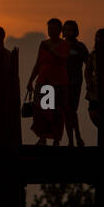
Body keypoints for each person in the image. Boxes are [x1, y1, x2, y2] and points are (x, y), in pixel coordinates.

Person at [26, 17, 68, 145]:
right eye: (49, 28)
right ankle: (43, 137)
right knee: (43, 111)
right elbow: (38, 63)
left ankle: (56, 139)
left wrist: (51, 49)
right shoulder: (43, 44)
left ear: (60, 30)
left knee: (57, 112)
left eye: (54, 28)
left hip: (58, 82)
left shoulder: (64, 44)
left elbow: (62, 59)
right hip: (44, 81)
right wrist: (30, 80)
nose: (51, 31)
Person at [62, 20, 89, 147]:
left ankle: (77, 137)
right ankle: (71, 139)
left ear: (75, 31)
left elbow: (89, 64)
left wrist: (89, 79)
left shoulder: (80, 47)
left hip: (75, 82)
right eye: (66, 29)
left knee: (72, 110)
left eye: (71, 29)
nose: (68, 32)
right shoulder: (60, 45)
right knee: (66, 111)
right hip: (61, 81)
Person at [85, 27, 104, 129]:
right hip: (95, 87)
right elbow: (88, 70)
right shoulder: (93, 54)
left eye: (101, 36)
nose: (98, 38)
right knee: (93, 112)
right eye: (97, 36)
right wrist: (88, 83)